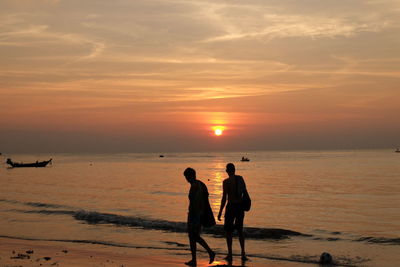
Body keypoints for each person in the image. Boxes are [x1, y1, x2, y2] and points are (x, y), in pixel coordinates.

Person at [183, 167, 216, 266]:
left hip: (195, 215)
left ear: (190, 175)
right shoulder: (200, 184)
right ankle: (194, 260)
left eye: (186, 176)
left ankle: (210, 252)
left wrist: (196, 217)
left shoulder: (195, 186)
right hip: (197, 214)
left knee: (194, 236)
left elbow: (196, 202)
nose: (186, 179)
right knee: (193, 237)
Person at [217, 163, 249, 262]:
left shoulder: (226, 182)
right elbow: (245, 193)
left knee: (229, 232)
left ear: (227, 171)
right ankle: (243, 254)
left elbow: (224, 198)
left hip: (231, 207)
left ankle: (230, 254)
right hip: (239, 207)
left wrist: (220, 212)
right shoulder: (241, 179)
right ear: (234, 170)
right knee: (240, 231)